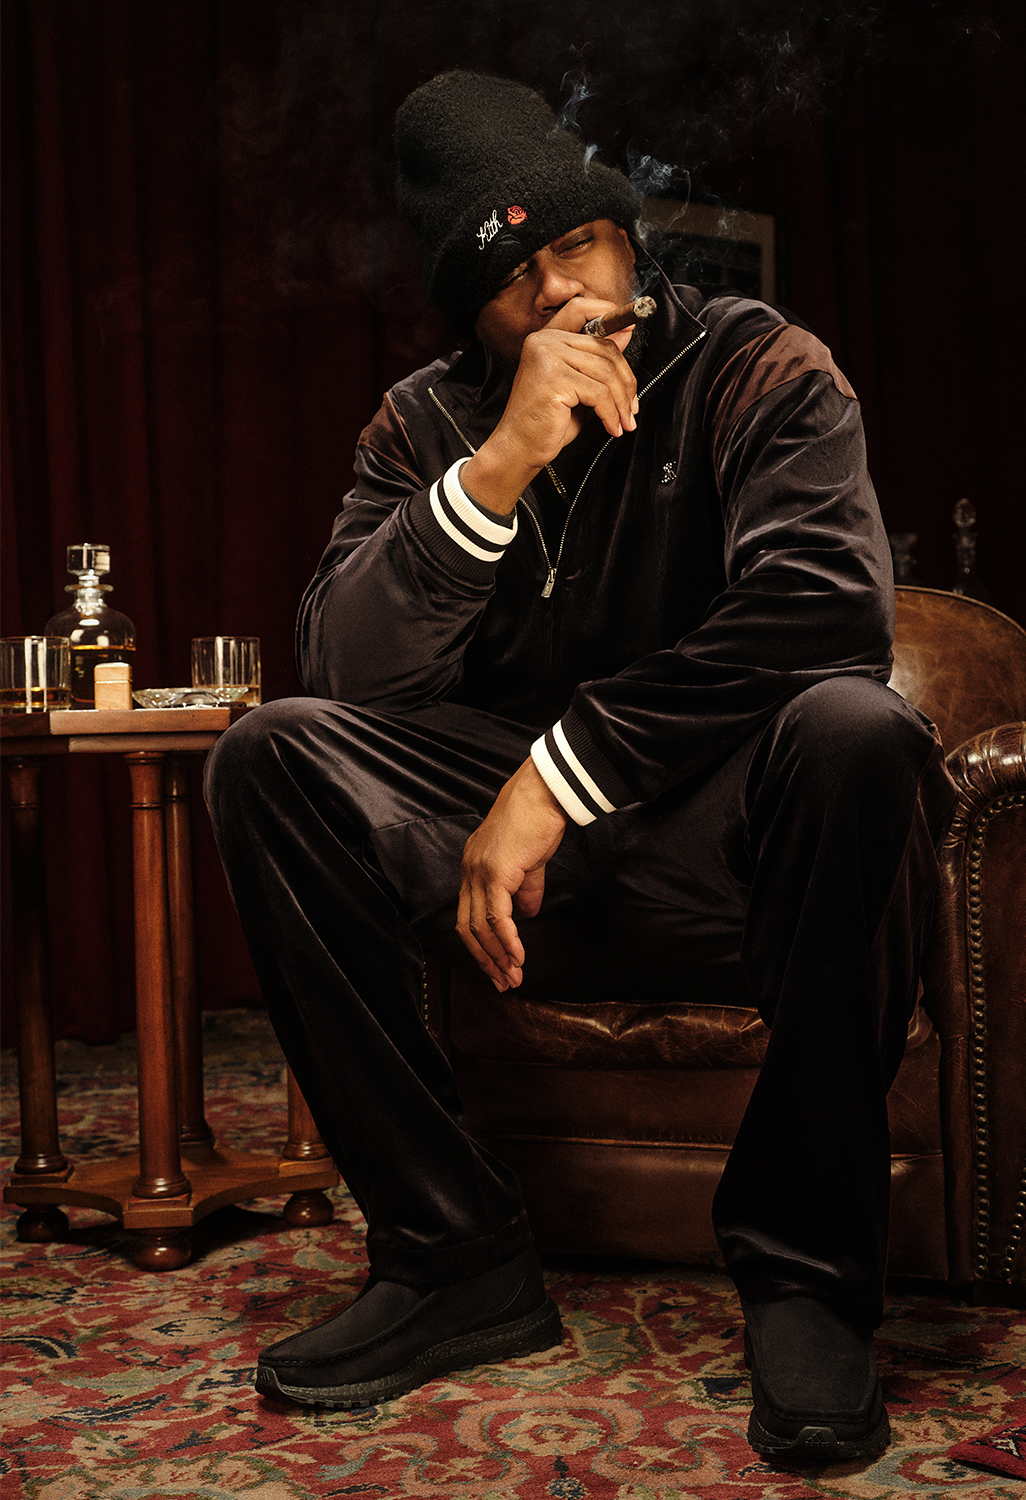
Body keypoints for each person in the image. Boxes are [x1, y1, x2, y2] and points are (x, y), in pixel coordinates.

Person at [204, 69, 958, 1462]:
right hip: (513, 895)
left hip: (727, 842)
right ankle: (453, 1253)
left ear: (626, 239)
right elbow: (342, 671)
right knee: (268, 758)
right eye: (511, 275)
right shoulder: (423, 425)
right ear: (470, 311)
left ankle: (807, 1273)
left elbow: (824, 611)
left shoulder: (758, 364)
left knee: (857, 730)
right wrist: (498, 465)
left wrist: (557, 774)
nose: (557, 291)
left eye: (576, 245)